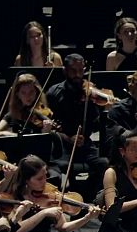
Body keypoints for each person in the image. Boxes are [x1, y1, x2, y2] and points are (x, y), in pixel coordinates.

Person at [46, 53, 109, 197]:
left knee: (104, 164)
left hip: (85, 143)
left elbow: (96, 124)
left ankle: (89, 194)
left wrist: (102, 108)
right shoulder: (54, 93)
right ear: (65, 71)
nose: (78, 74)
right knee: (59, 167)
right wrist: (68, 138)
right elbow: (50, 126)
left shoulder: (91, 92)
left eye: (81, 70)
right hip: (62, 145)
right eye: (73, 70)